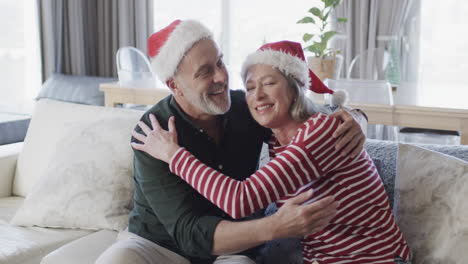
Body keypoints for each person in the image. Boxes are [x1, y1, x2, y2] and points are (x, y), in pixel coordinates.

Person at [96, 20, 366, 264]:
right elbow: (189, 233)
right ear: (175, 86)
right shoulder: (153, 132)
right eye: (205, 72)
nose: (222, 77)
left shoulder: (246, 107)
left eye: (220, 63)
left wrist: (357, 119)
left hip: (234, 245)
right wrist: (276, 226)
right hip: (159, 246)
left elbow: (301, 115)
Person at [131, 40, 411, 264]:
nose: (257, 96)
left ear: (295, 86)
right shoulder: (273, 135)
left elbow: (239, 200)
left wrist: (173, 155)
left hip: (375, 258)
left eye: (269, 83)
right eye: (251, 86)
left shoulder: (319, 133)